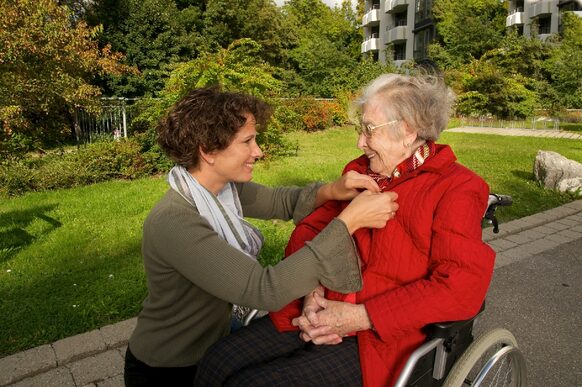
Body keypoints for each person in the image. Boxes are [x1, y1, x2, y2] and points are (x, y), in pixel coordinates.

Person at [194, 74, 496, 386]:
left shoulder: (457, 187)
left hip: (380, 336)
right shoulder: (359, 172)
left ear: (407, 131)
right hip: (317, 312)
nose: (360, 142)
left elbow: (460, 286)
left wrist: (357, 317)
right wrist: (313, 294)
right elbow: (310, 230)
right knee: (217, 361)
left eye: (368, 130)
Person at [123, 86, 399, 387]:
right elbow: (264, 290)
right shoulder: (176, 222)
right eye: (247, 141)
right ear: (207, 151)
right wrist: (347, 223)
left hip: (210, 349)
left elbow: (282, 201)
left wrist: (332, 190)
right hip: (169, 369)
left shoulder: (223, 190)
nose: (259, 151)